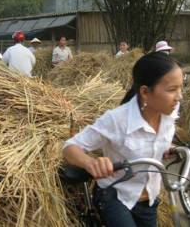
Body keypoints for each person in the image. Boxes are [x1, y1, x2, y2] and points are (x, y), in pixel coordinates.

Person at [62, 52, 183, 227]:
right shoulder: (117, 120)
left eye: (181, 87)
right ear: (145, 92)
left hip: (149, 199)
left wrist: (167, 147)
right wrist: (91, 163)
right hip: (116, 196)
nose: (179, 96)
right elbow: (70, 147)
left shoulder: (170, 111)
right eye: (172, 89)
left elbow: (154, 140)